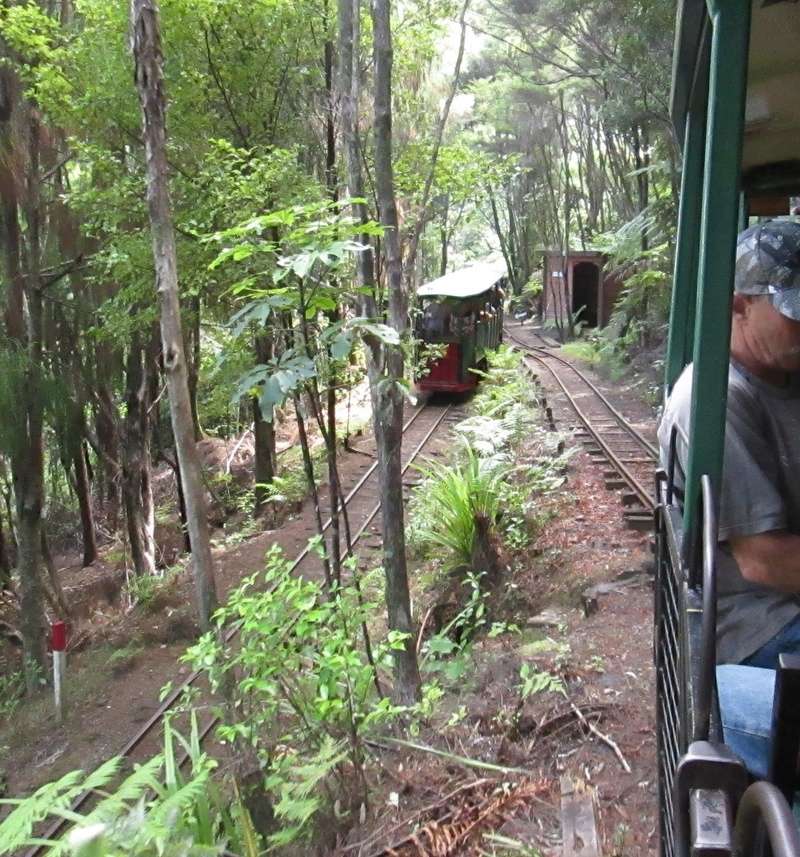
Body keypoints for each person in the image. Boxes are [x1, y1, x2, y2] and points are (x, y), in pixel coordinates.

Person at [658, 219, 800, 669]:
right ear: (739, 306)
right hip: (759, 621)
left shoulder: (782, 370)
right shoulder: (717, 398)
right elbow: (764, 561)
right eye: (795, 316)